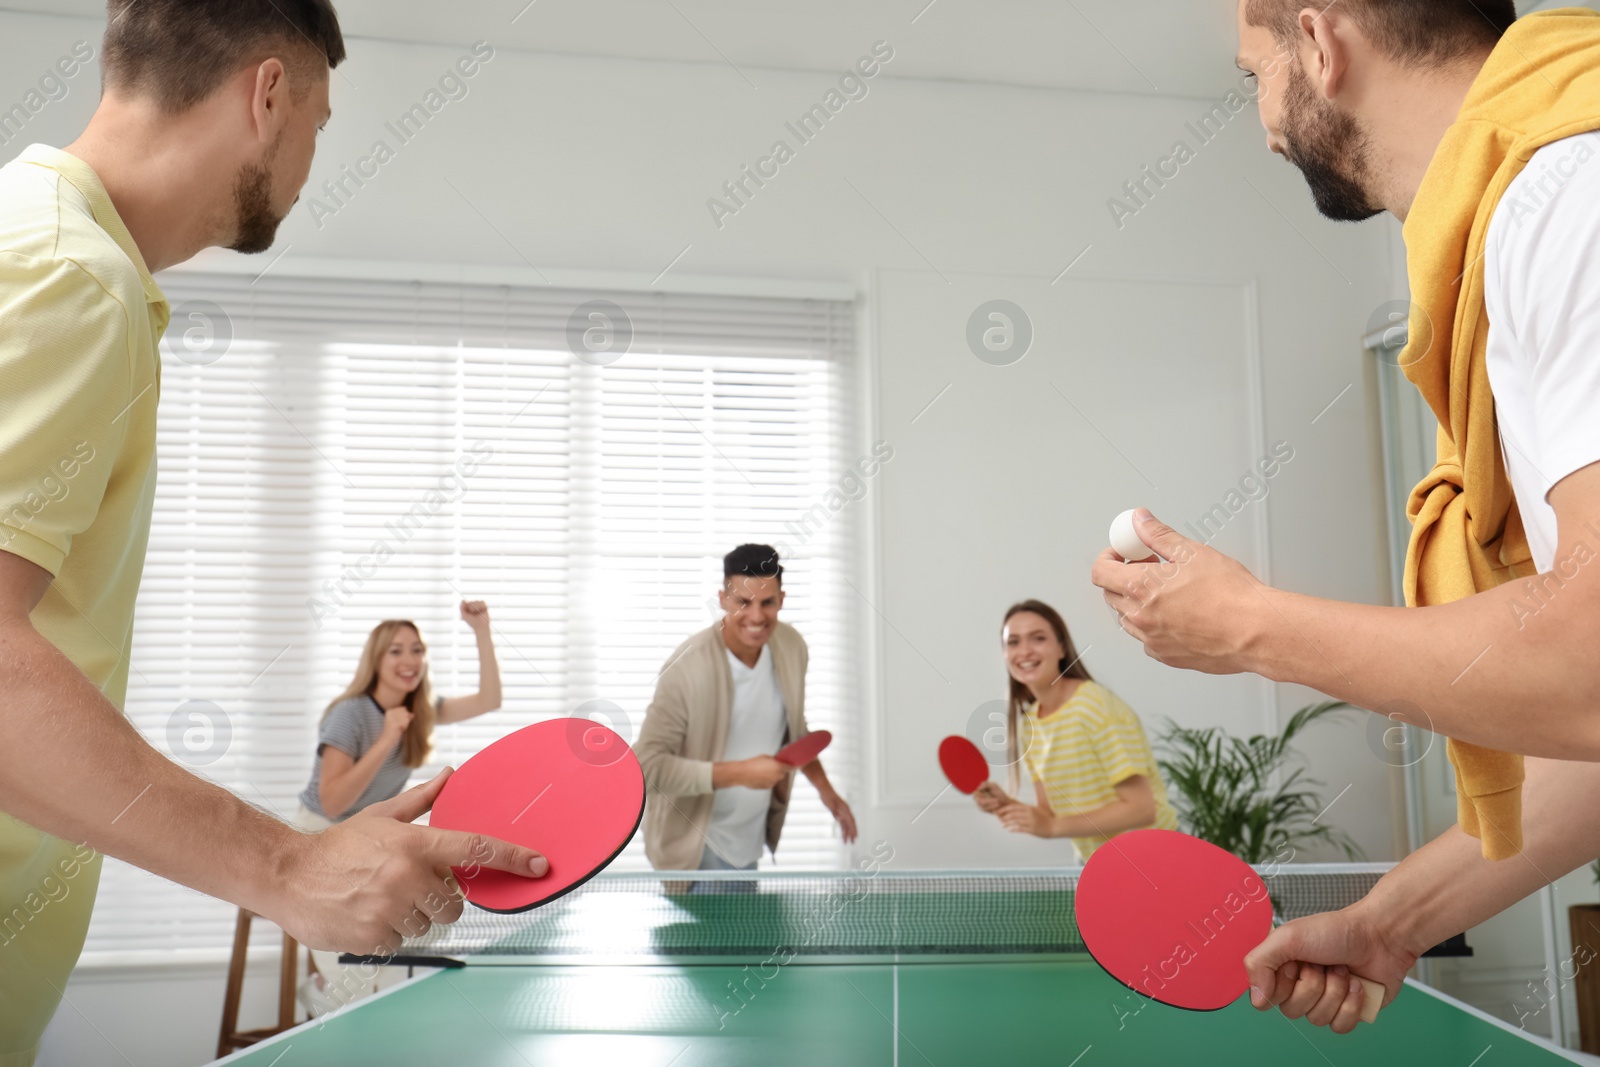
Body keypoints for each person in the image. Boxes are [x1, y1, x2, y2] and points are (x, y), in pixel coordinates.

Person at [0, 4, 544, 1061]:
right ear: (267, 97)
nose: (308, 163)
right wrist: (286, 869)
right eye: (321, 124)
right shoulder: (68, 275)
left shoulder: (40, 246)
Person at [1090, 0, 1600, 1034]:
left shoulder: (1569, 199)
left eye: (1252, 77)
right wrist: (1390, 918)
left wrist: (1245, 625)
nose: (1263, 125)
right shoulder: (1531, 213)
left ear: (1319, 47)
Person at [634, 544, 856, 887]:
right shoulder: (686, 669)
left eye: (767, 602)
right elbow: (646, 767)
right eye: (743, 602)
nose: (756, 617)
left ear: (782, 599)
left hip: (749, 844)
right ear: (723, 599)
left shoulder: (791, 646)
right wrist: (739, 773)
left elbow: (791, 727)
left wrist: (826, 791)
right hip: (696, 852)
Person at [972, 600, 1178, 860]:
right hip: (1094, 862)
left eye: (1037, 638)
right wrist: (1007, 806)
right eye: (1013, 642)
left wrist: (1052, 827)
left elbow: (1141, 810)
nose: (1024, 651)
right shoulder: (1030, 725)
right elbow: (1049, 815)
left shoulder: (1095, 706)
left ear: (1061, 648)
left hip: (1151, 857)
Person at [297, 603, 503, 828]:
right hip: (319, 829)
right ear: (375, 661)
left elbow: (489, 700)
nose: (410, 661)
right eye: (395, 651)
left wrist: (481, 629)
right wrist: (387, 738)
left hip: (367, 829)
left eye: (417, 650)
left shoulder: (421, 709)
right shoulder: (349, 714)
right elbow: (332, 805)